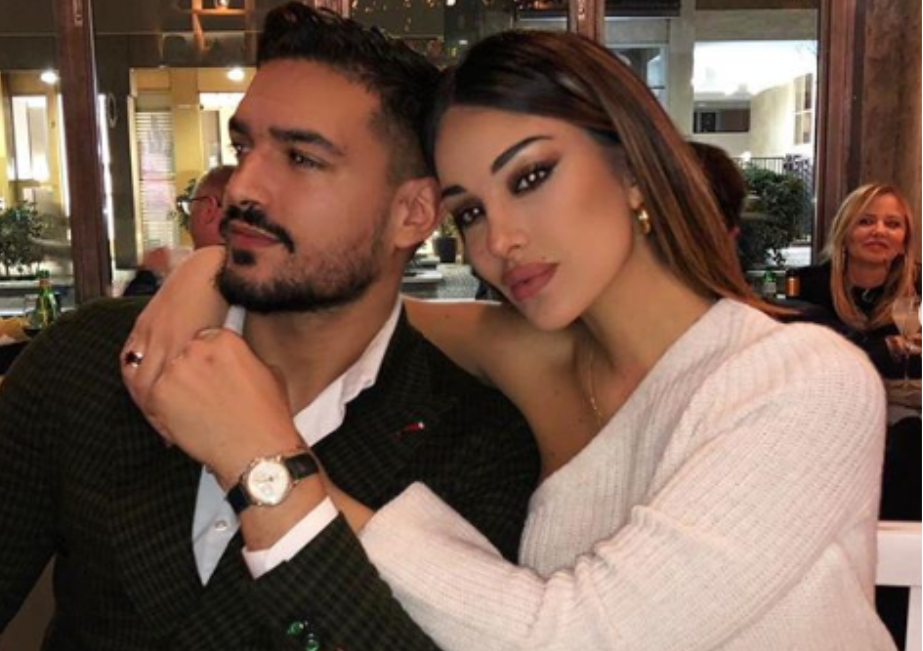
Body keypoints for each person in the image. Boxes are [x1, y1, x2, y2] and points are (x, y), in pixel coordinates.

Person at [125, 28, 895, 650]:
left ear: (632, 166)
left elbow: (577, 636)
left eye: (528, 177)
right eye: (468, 211)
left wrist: (269, 465)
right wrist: (212, 272)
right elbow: (362, 303)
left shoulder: (802, 381)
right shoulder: (530, 354)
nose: (499, 240)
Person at [0, 6, 540, 649]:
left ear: (413, 213)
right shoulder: (89, 359)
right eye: (243, 148)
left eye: (302, 158)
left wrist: (259, 466)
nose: (243, 189)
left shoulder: (476, 443)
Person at [793, 182, 920, 648]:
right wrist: (891, 349)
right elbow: (808, 354)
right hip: (829, 422)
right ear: (845, 230)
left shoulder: (918, 287)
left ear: (905, 239)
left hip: (904, 424)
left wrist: (872, 350)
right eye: (866, 220)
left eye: (892, 223)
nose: (879, 231)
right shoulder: (806, 284)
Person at [123, 165, 234, 297]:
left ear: (209, 209)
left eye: (192, 204)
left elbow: (131, 308)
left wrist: (149, 275)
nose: (190, 214)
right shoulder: (248, 271)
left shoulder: (203, 274)